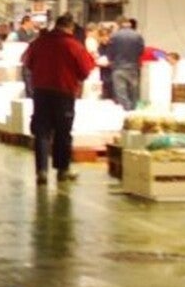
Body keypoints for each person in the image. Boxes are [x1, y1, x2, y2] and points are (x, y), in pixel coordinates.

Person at [23, 13, 96, 185]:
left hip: (41, 92)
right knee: (63, 132)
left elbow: (28, 63)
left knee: (42, 132)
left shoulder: (39, 42)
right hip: (64, 92)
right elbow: (85, 71)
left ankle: (41, 171)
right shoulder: (74, 45)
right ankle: (63, 170)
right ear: (70, 27)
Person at [105, 17, 144, 111]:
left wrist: (112, 61)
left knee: (121, 92)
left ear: (119, 24)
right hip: (133, 67)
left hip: (118, 67)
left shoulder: (114, 36)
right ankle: (133, 111)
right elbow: (141, 51)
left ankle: (127, 111)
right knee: (133, 92)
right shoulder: (138, 36)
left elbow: (109, 52)